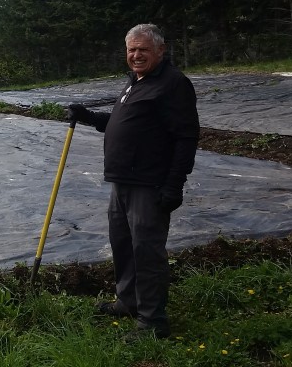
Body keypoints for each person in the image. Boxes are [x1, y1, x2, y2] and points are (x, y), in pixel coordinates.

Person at [67, 23, 199, 339]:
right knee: (123, 245)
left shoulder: (172, 84)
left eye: (143, 49)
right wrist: (89, 116)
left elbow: (186, 137)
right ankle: (128, 301)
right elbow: (119, 123)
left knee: (147, 252)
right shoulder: (135, 82)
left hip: (149, 184)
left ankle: (153, 321)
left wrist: (174, 184)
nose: (136, 55)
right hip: (122, 183)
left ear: (160, 51)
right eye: (131, 50)